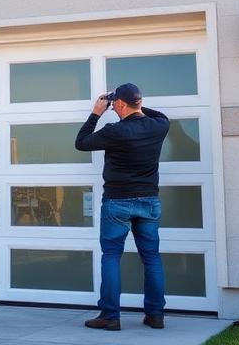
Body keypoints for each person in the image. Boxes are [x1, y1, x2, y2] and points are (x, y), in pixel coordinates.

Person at [74, 83, 170, 331]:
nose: (113, 107)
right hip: (149, 201)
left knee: (111, 257)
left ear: (120, 104)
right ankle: (155, 315)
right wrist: (135, 104)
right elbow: (157, 114)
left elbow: (82, 142)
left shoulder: (114, 131)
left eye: (115, 103)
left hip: (118, 202)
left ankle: (110, 316)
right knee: (151, 258)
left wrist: (97, 111)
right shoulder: (159, 125)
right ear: (139, 102)